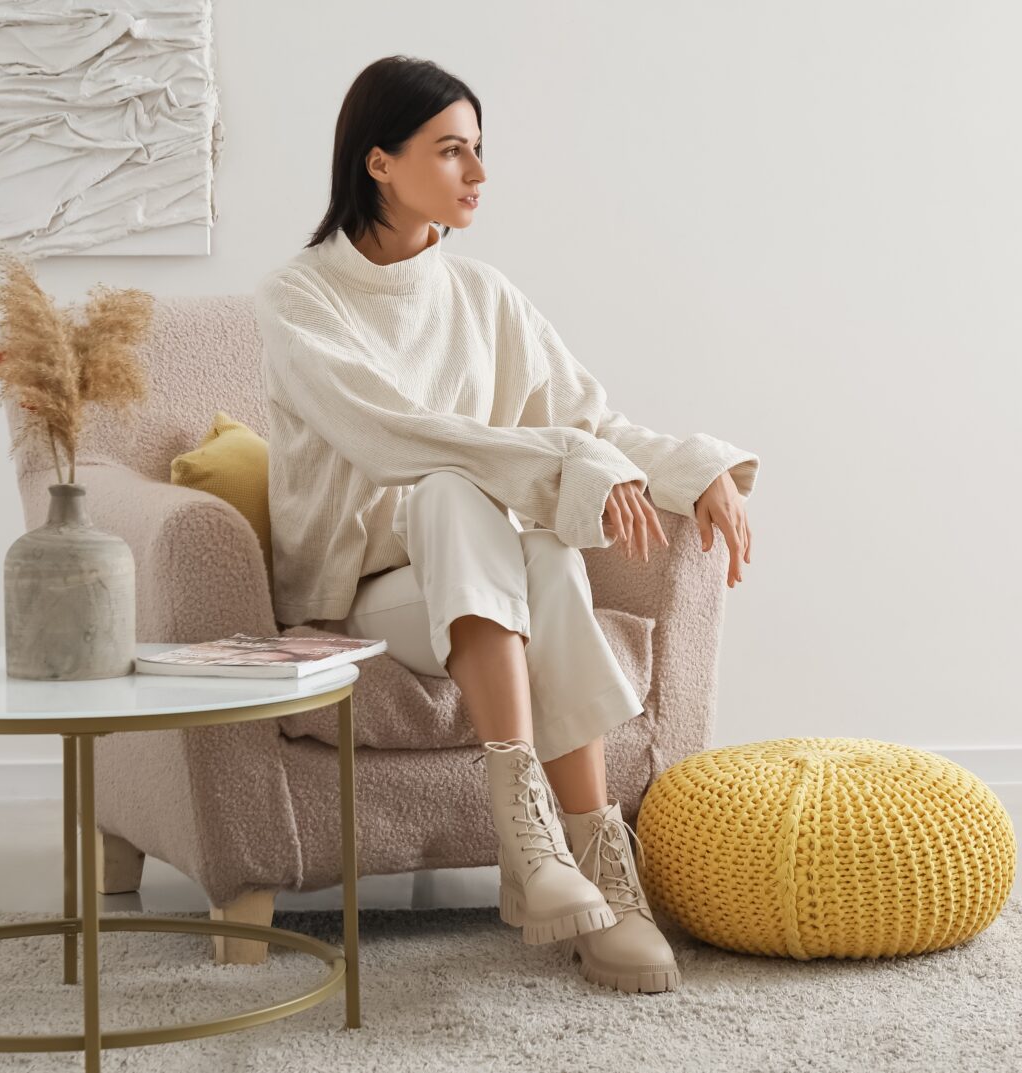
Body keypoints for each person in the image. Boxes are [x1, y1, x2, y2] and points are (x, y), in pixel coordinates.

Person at [252, 55, 759, 995]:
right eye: (452, 152)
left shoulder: (484, 295)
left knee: (542, 545)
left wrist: (701, 467)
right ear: (378, 162)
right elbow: (394, 436)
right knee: (449, 484)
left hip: (479, 584)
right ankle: (541, 840)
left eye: (480, 151)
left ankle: (578, 856)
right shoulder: (299, 298)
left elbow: (591, 419)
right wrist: (560, 462)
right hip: (365, 594)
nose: (478, 175)